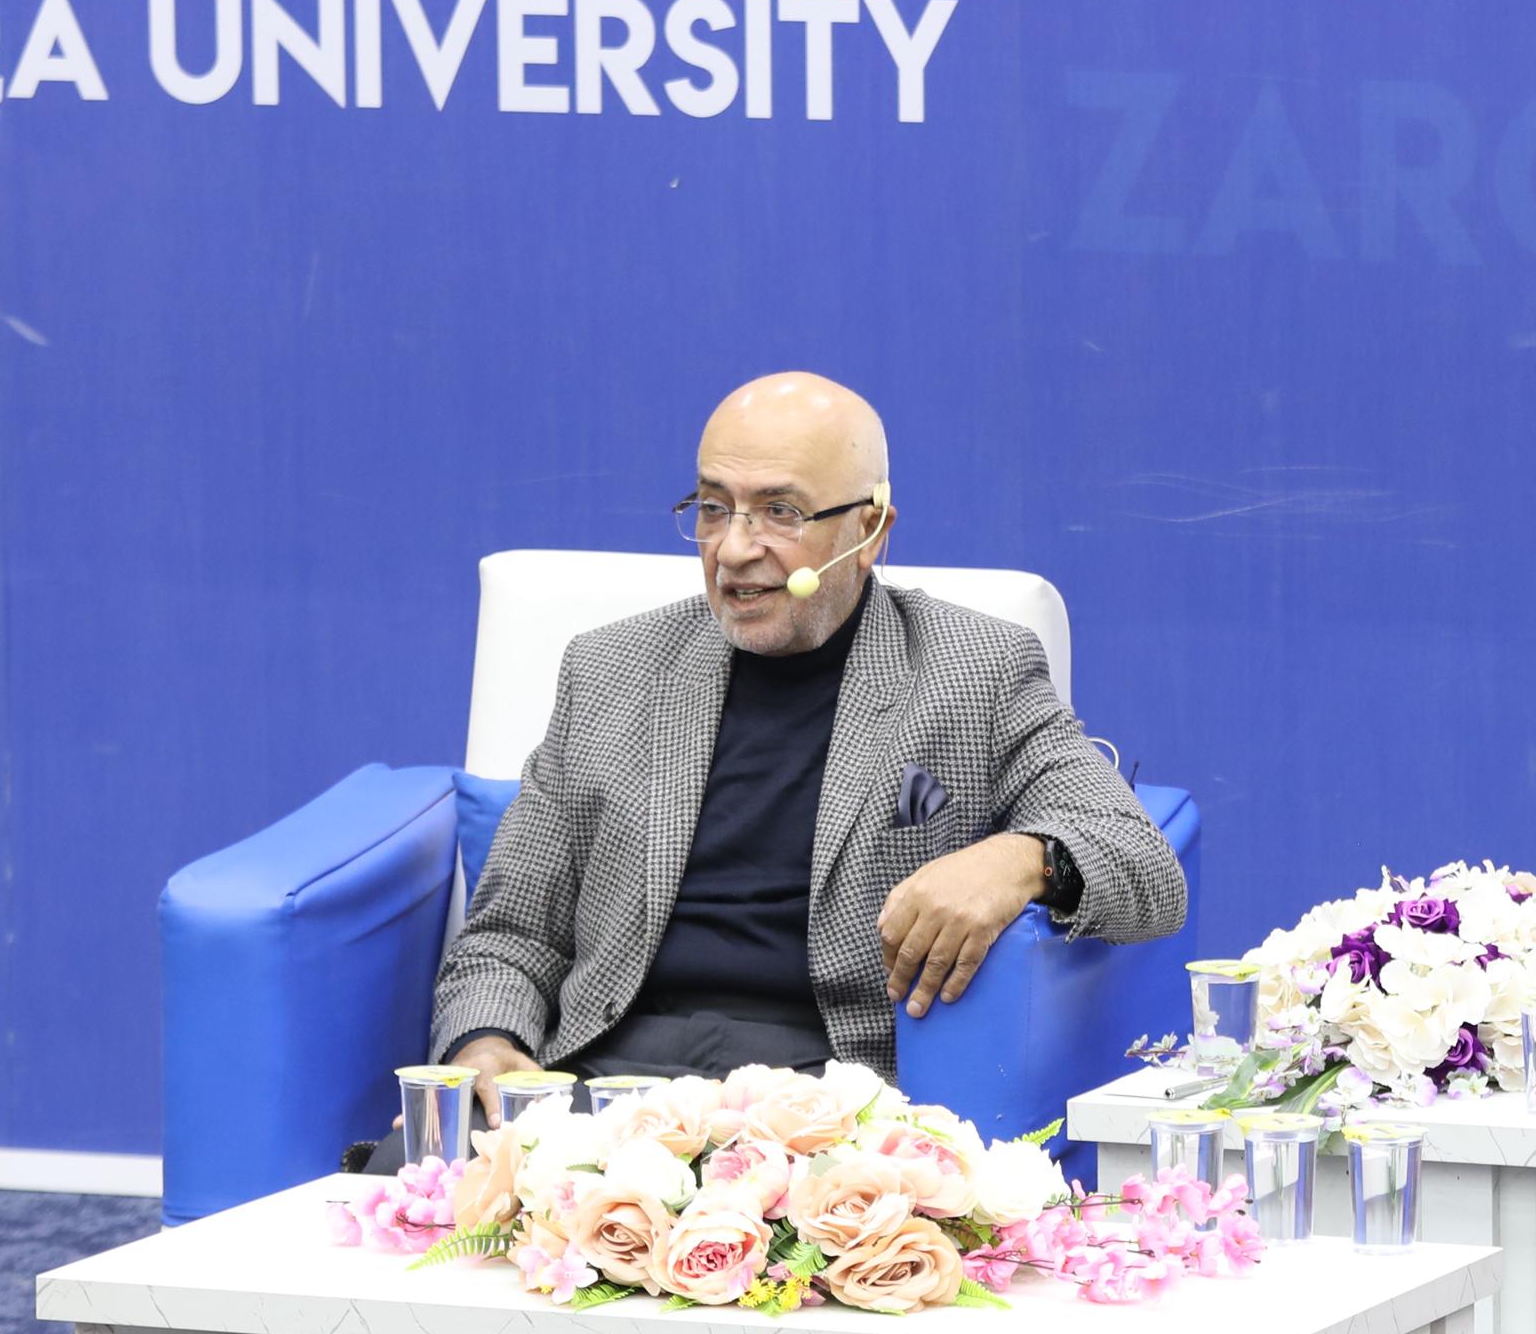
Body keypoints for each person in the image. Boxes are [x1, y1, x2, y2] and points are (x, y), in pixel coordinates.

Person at [426, 371, 1185, 1088]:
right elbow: (509, 935)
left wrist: (1022, 859)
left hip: (831, 1097)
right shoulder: (610, 670)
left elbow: (1145, 867)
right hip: (607, 1081)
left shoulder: (976, 670)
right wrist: (486, 1042)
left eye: (780, 512)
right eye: (713, 507)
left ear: (870, 530)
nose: (733, 548)